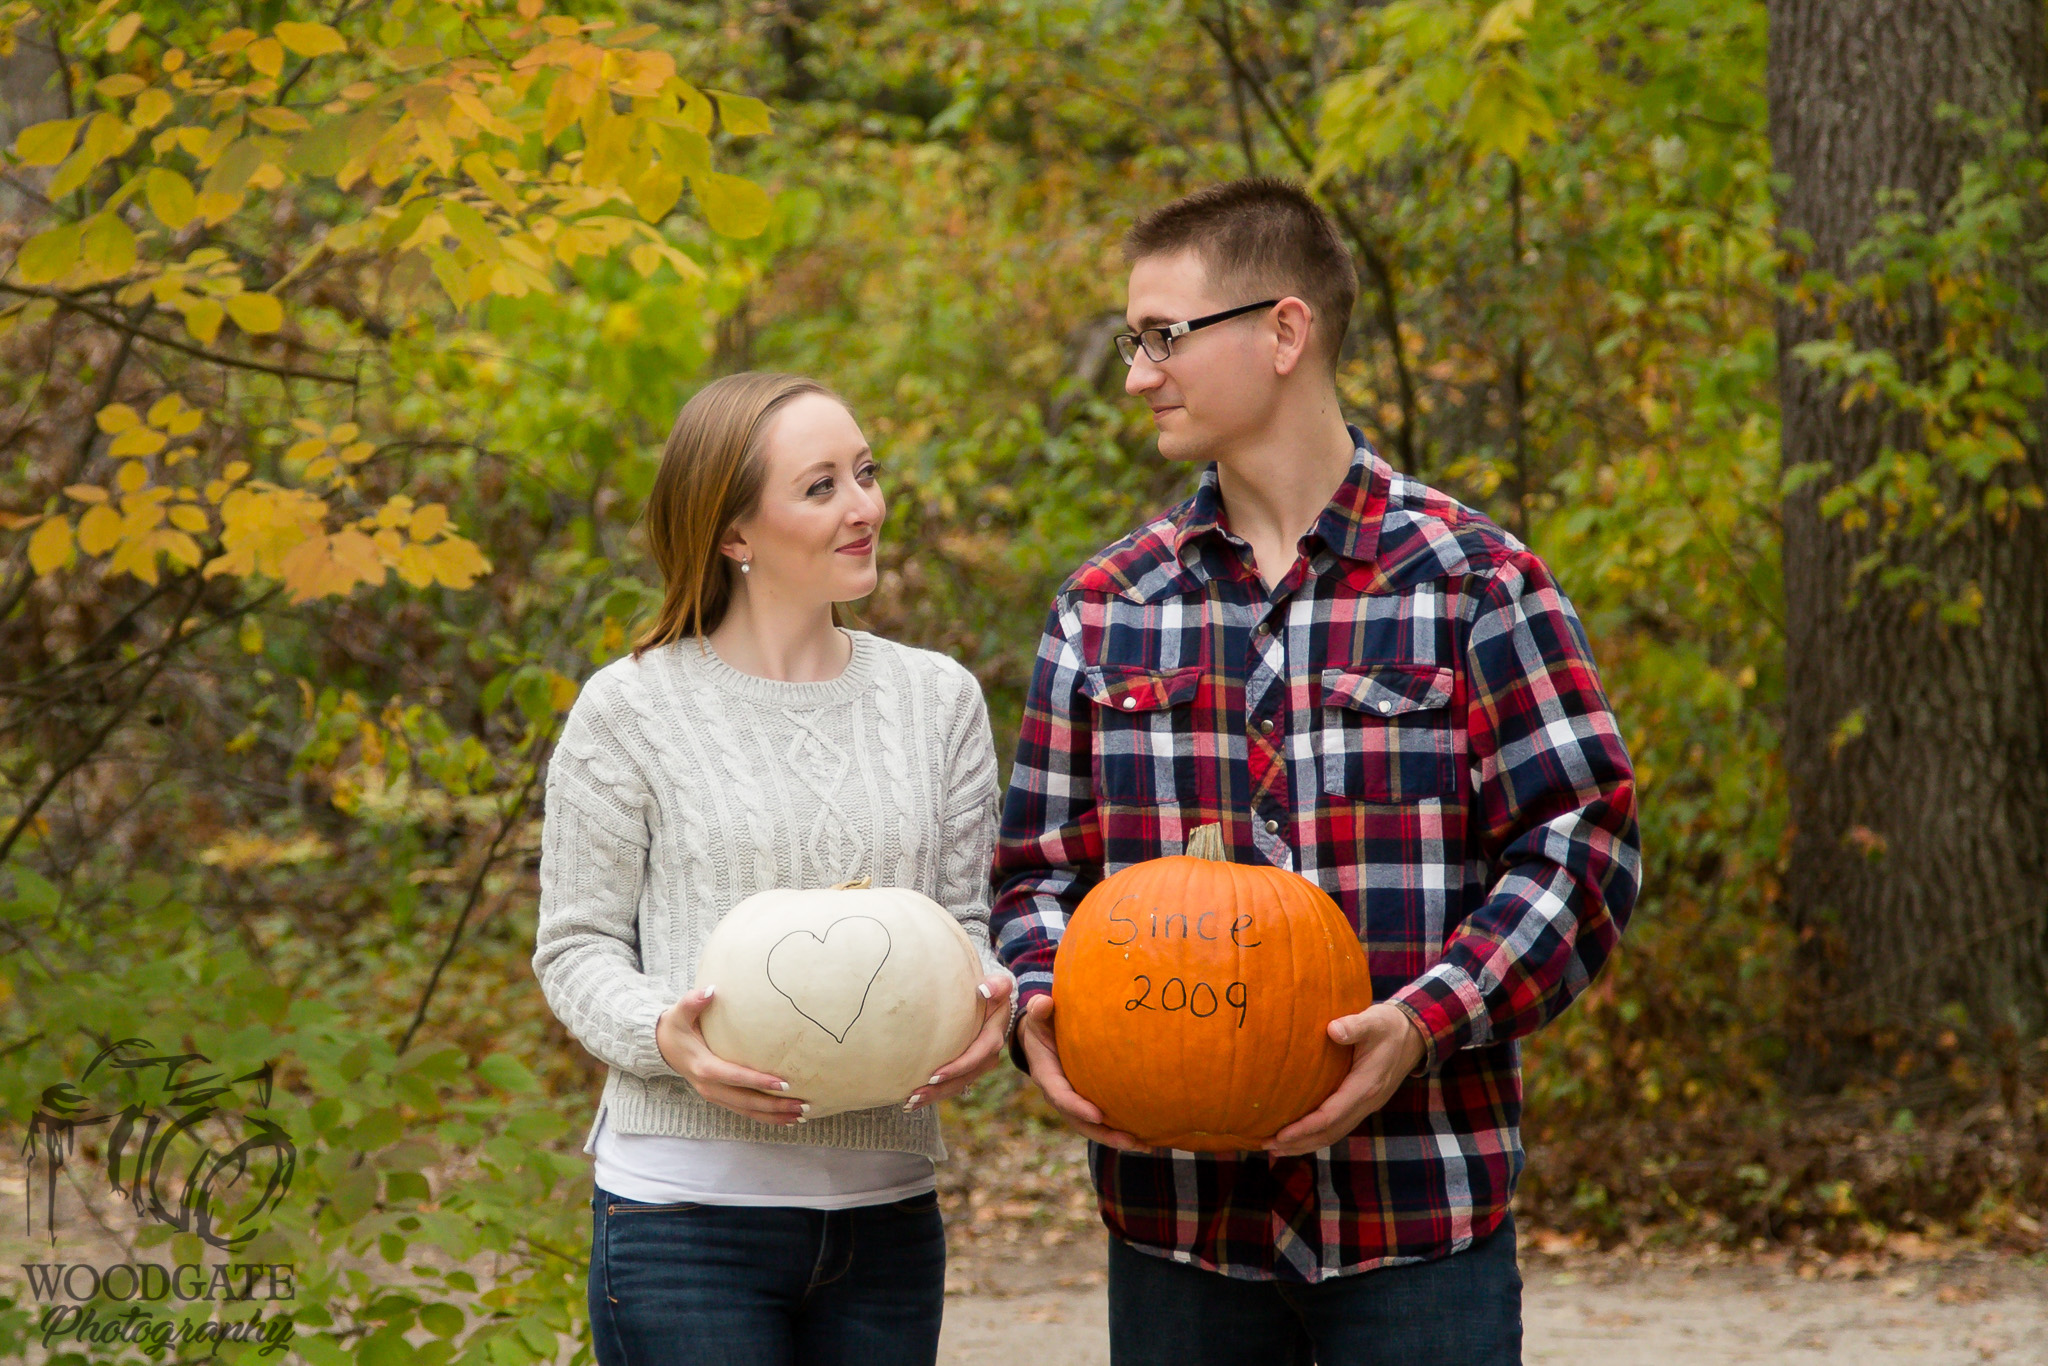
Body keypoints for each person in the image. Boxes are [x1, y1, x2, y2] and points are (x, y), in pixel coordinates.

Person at [990, 177, 1642, 1365]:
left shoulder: (1474, 582)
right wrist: (1039, 1006)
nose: (1136, 372)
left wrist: (1420, 1019)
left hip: (1416, 1221)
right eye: (1133, 341)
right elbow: (1033, 878)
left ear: (1282, 331)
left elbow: (1579, 850)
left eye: (1162, 337)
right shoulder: (1102, 608)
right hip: (1175, 1233)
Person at [532, 371, 1017, 1366]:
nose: (865, 507)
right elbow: (575, 946)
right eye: (821, 486)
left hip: (887, 1220)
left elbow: (965, 918)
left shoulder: (940, 701)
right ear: (733, 533)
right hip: (682, 1223)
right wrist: (665, 1039)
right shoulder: (628, 710)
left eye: (867, 473)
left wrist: (985, 992)